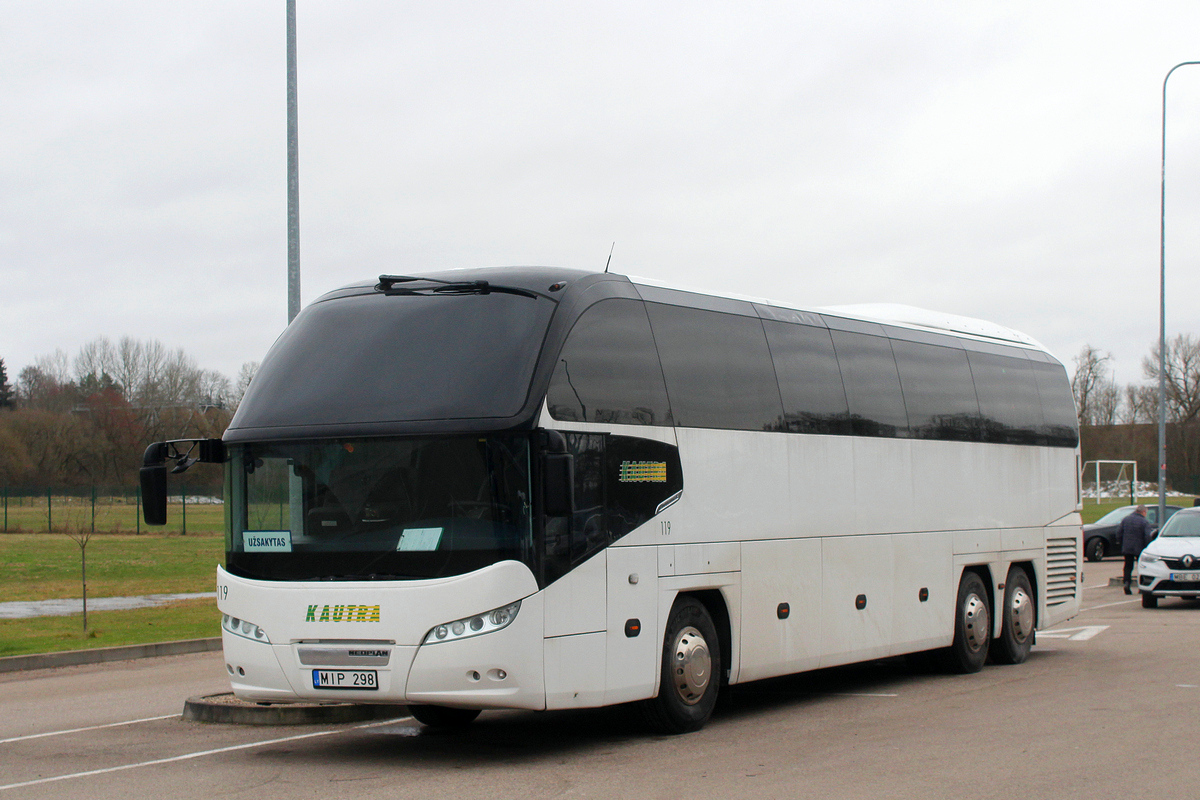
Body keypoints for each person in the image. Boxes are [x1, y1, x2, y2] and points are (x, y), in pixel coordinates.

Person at [1117, 505, 1154, 595]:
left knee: (1128, 566)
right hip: (1140, 548)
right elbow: (1147, 536)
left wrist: (1121, 543)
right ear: (1143, 512)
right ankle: (1141, 586)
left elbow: (1119, 533)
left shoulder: (1126, 519)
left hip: (1127, 547)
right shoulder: (1144, 522)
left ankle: (1127, 583)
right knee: (1141, 567)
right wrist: (1147, 547)